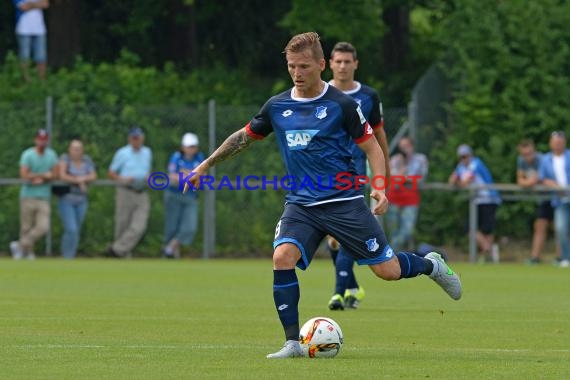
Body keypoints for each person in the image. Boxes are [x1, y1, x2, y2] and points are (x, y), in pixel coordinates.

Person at [183, 32, 462, 359]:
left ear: (320, 64)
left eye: (303, 66)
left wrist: (379, 187)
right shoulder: (278, 106)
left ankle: (431, 266)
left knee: (388, 271)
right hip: (301, 204)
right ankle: (292, 343)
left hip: (343, 201)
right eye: (291, 66)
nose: (297, 73)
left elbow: (372, 147)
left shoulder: (341, 104)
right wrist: (205, 165)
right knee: (281, 256)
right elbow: (244, 137)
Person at [325, 41, 391, 311]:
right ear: (329, 63)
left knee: (345, 233)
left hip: (355, 174)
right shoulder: (320, 93)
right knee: (332, 238)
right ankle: (352, 286)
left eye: (346, 61)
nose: (342, 66)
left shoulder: (368, 96)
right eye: (337, 61)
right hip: (324, 173)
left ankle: (339, 292)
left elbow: (378, 134)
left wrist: (383, 176)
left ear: (355, 64)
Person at [10, 129, 58, 260]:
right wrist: (39, 176)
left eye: (44, 139)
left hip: (44, 196)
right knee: (26, 227)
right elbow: (24, 174)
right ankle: (27, 252)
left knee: (43, 227)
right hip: (28, 195)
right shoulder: (28, 154)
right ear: (35, 140)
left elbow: (54, 173)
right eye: (40, 139)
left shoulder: (51, 155)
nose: (42, 142)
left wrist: (44, 178)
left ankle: (19, 245)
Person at [448, 144, 501, 262]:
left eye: (465, 156)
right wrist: (457, 181)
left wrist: (458, 182)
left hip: (488, 198)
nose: (463, 159)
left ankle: (487, 255)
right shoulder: (461, 166)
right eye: (461, 157)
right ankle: (490, 250)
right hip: (477, 200)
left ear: (470, 155)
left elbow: (465, 182)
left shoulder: (476, 163)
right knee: (470, 228)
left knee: (487, 230)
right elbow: (451, 180)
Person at [107, 127, 152, 258]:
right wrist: (123, 179)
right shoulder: (122, 153)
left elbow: (146, 170)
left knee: (139, 226)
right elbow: (111, 173)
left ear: (142, 138)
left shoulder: (147, 152)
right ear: (129, 139)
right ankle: (123, 254)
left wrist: (147, 177)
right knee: (122, 224)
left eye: (138, 138)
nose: (136, 141)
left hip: (142, 192)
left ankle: (116, 249)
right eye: (133, 138)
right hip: (125, 191)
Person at [163, 133, 205, 259]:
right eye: (188, 146)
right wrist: (191, 175)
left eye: (193, 146)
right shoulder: (176, 157)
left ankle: (170, 247)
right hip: (174, 194)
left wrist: (184, 174)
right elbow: (173, 177)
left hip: (191, 196)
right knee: (172, 226)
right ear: (183, 147)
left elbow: (202, 177)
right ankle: (170, 254)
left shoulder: (199, 158)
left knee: (190, 227)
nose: (190, 149)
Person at [516, 139, 557, 264]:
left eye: (529, 153)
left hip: (556, 197)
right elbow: (520, 180)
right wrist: (530, 182)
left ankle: (562, 257)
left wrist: (529, 182)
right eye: (524, 154)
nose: (527, 157)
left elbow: (536, 179)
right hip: (543, 199)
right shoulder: (521, 160)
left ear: (534, 150)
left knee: (560, 227)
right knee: (539, 225)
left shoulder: (543, 159)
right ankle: (535, 257)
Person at [386, 136, 429, 253]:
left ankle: (390, 251)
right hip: (393, 198)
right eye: (401, 147)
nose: (403, 150)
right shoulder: (395, 159)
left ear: (412, 146)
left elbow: (421, 179)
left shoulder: (421, 159)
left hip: (411, 199)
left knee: (407, 230)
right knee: (392, 230)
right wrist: (404, 176)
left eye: (406, 146)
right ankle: (393, 255)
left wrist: (402, 178)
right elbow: (390, 178)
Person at [56, 139, 97, 259]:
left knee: (76, 230)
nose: (76, 151)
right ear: (69, 150)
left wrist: (83, 179)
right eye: (74, 149)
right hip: (67, 199)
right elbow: (62, 175)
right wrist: (78, 181)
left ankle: (71, 255)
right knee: (71, 228)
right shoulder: (65, 159)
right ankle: (67, 256)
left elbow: (93, 175)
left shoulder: (87, 160)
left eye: (79, 149)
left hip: (82, 200)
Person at [538, 131, 570, 267]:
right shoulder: (545, 159)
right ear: (550, 144)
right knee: (560, 228)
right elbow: (541, 178)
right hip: (559, 199)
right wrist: (555, 185)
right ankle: (566, 258)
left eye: (560, 143)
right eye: (556, 143)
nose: (558, 145)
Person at [12, 0, 49, 81]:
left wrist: (30, 5)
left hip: (39, 29)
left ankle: (42, 81)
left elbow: (45, 4)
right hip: (23, 29)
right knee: (24, 56)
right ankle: (26, 80)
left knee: (41, 56)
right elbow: (23, 7)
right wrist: (37, 4)